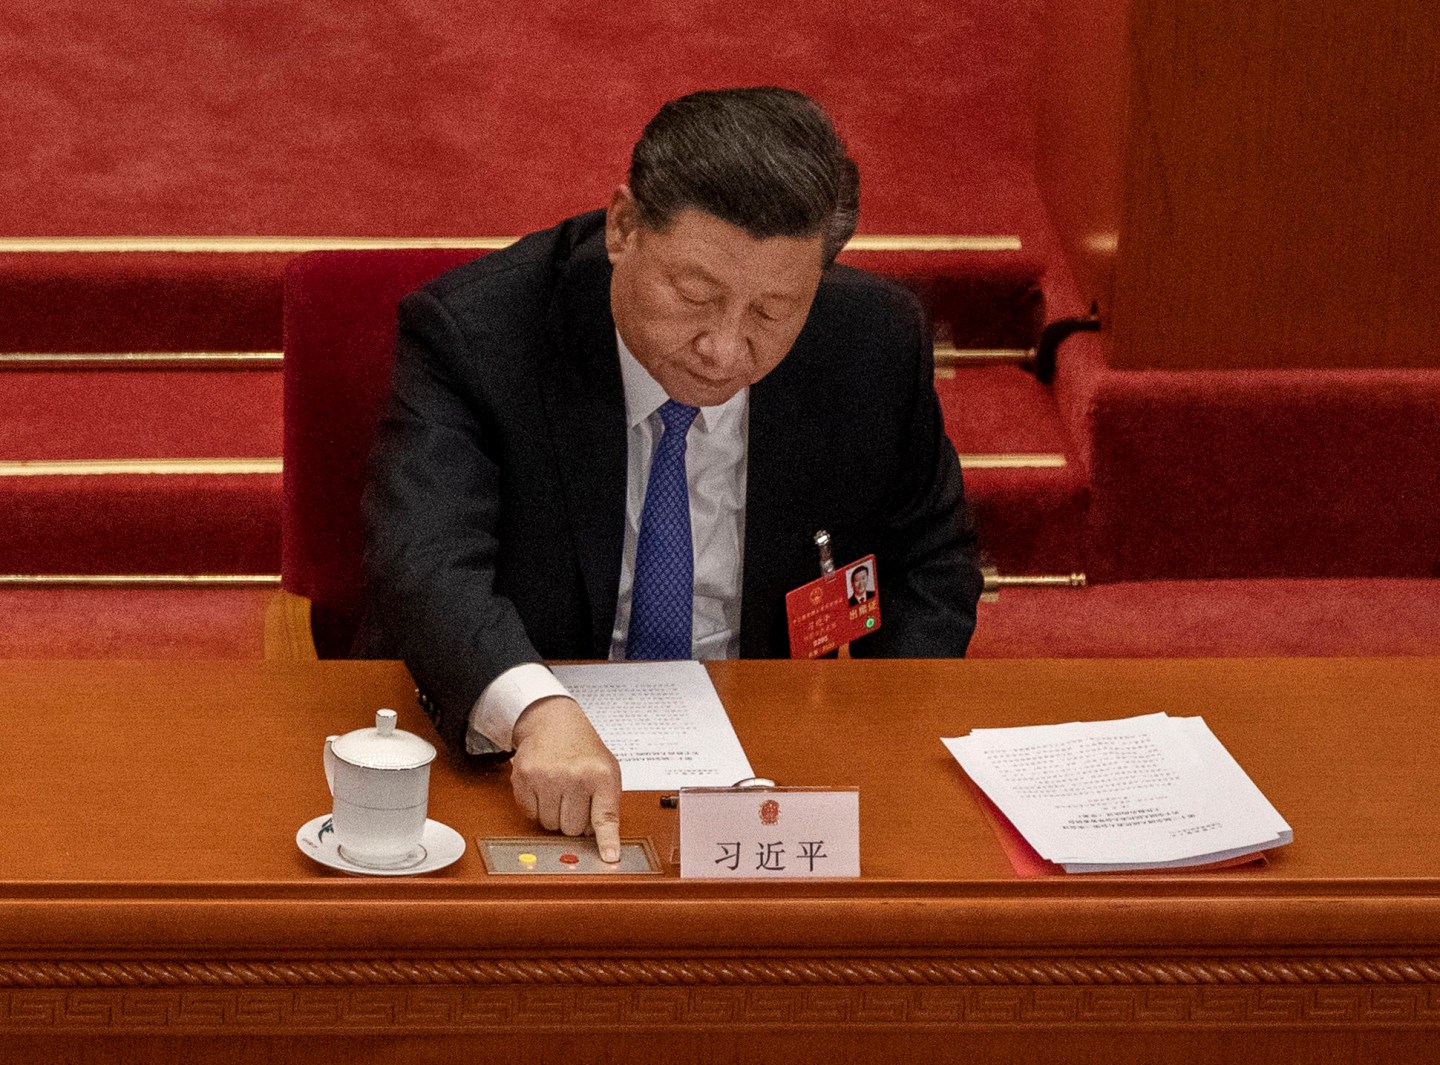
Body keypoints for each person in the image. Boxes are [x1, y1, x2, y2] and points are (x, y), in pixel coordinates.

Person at [357, 87, 983, 862]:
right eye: (695, 297)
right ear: (623, 226)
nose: (724, 349)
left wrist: (871, 732)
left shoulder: (871, 342)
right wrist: (533, 707)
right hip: (530, 750)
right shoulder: (480, 336)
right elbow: (424, 560)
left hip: (767, 757)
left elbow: (933, 559)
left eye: (770, 313)